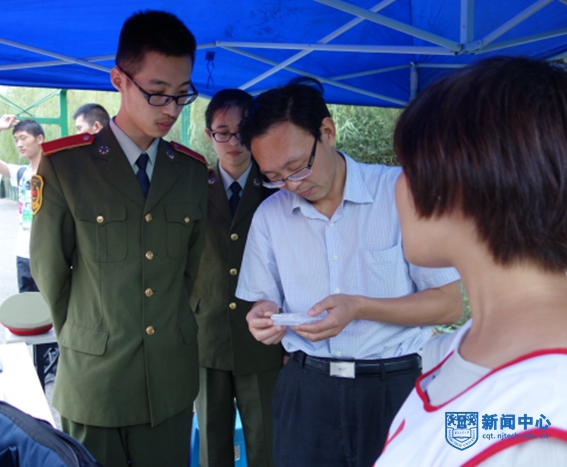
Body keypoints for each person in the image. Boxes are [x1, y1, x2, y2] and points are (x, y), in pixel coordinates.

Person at [235, 77, 463, 466]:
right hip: (307, 392)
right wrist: (262, 316)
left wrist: (359, 307)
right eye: (273, 177)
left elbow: (448, 305)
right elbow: (264, 300)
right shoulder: (270, 216)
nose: (291, 185)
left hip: (393, 388)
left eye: (297, 167)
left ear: (327, 132)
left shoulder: (400, 193)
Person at [30, 10, 208, 467]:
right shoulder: (66, 166)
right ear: (118, 80)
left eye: (182, 95)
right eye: (157, 92)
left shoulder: (191, 173)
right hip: (95, 381)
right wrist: (87, 334)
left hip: (168, 380)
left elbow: (193, 271)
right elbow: (50, 271)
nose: (171, 109)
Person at [375, 57, 567, 466]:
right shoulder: (467, 347)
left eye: (406, 167)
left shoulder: (546, 430)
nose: (397, 186)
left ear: (460, 177)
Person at [192, 89, 281, 467]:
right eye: (222, 132)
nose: (233, 142)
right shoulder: (191, 187)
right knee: (212, 446)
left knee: (266, 445)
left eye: (242, 131)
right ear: (209, 134)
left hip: (264, 338)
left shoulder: (277, 186)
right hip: (206, 335)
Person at [0, 117, 45, 293]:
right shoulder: (21, 173)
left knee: (53, 305)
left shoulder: (56, 173)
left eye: (23, 138)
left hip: (49, 253)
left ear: (39, 139)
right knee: (27, 305)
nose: (19, 144)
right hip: (24, 252)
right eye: (16, 140)